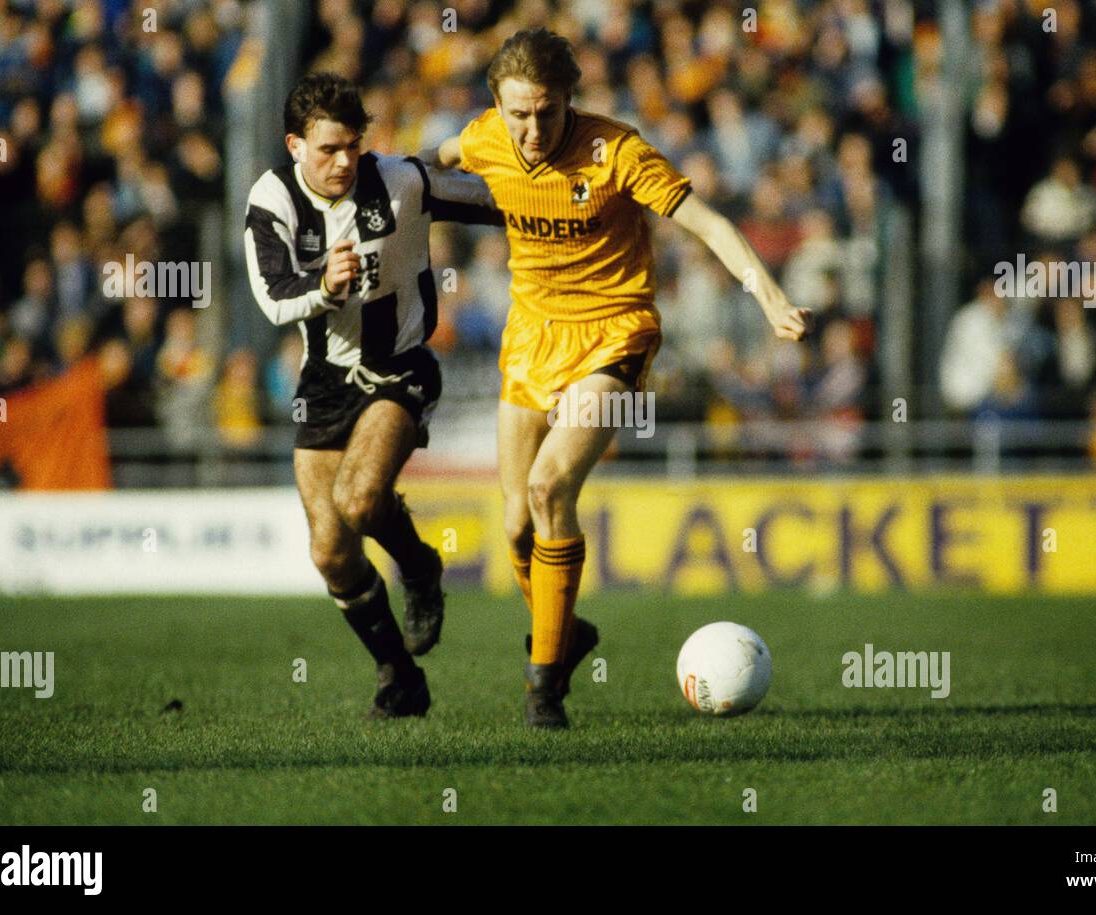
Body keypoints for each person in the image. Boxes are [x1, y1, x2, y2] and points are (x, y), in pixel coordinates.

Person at [425, 29, 815, 728]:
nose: (533, 128)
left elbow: (708, 223)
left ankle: (543, 682)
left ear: (569, 99)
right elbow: (432, 162)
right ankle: (568, 635)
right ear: (497, 105)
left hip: (615, 329)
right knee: (515, 527)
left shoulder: (617, 151)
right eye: (519, 113)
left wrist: (768, 295)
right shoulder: (483, 136)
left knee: (549, 489)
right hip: (529, 337)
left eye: (546, 111)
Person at [244, 73, 501, 716]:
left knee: (360, 499)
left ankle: (418, 567)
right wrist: (324, 285)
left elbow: (496, 199)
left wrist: (576, 196)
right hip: (325, 381)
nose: (343, 162)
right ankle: (399, 675)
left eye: (353, 147)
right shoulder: (271, 197)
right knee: (331, 552)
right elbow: (274, 298)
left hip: (401, 367)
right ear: (295, 144)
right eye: (329, 149)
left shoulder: (401, 180)